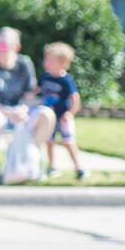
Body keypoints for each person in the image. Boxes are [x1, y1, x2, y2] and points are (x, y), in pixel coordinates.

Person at [0, 27, 51, 181]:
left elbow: (29, 96)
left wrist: (22, 109)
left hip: (16, 111)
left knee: (46, 115)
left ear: (16, 47)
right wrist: (8, 111)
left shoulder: (24, 64)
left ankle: (27, 158)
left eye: (4, 46)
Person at [39, 42, 88, 180]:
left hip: (63, 117)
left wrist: (70, 113)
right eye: (46, 59)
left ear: (63, 63)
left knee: (68, 141)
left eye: (50, 60)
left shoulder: (66, 80)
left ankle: (79, 168)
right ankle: (52, 166)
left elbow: (75, 99)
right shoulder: (45, 77)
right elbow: (37, 90)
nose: (46, 63)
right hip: (49, 117)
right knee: (49, 141)